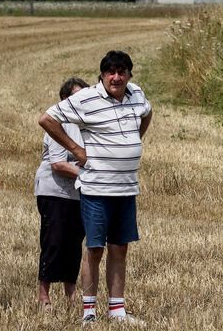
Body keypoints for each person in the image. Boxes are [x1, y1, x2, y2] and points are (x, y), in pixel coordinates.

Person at [39, 51, 152, 325]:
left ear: (129, 74)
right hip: (96, 188)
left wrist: (134, 140)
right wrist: (76, 149)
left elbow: (147, 112)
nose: (116, 77)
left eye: (122, 71)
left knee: (120, 248)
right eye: (110, 71)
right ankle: (88, 311)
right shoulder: (87, 98)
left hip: (126, 188)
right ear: (102, 75)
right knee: (95, 249)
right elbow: (47, 119)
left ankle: (117, 310)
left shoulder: (136, 94)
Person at [35, 77, 90, 307]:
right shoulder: (58, 123)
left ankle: (70, 293)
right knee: (53, 243)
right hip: (54, 192)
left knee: (74, 244)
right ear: (65, 99)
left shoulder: (85, 125)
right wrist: (91, 174)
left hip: (77, 194)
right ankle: (44, 295)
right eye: (76, 96)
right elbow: (58, 164)